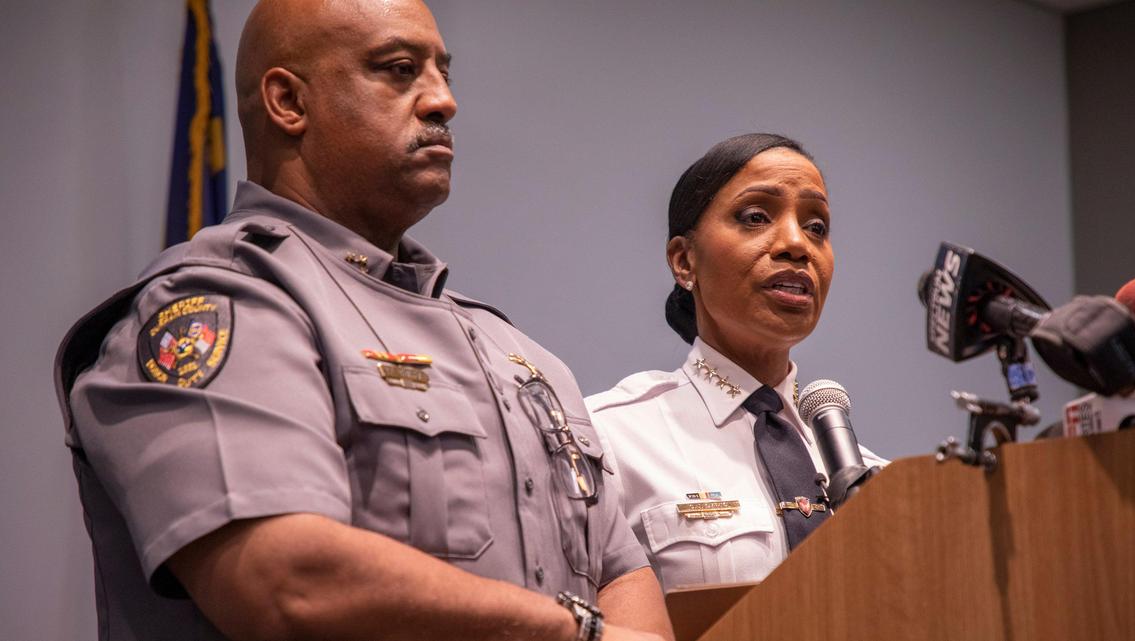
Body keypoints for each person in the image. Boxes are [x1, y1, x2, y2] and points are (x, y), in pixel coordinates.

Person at [53, 1, 672, 640]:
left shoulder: (518, 354)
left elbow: (621, 573)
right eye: (400, 70)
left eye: (443, 73)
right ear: (289, 102)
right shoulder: (222, 305)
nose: (443, 102)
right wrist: (573, 633)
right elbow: (286, 581)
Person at [586, 133, 887, 592]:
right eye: (755, 217)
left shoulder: (871, 479)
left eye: (817, 227)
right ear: (684, 262)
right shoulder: (609, 439)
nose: (796, 244)